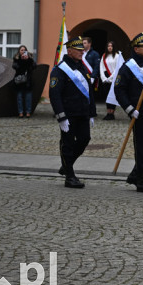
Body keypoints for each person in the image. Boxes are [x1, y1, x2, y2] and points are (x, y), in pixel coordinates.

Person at [114, 32, 143, 193]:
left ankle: (136, 172)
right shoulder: (128, 67)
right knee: (141, 146)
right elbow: (119, 89)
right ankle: (141, 179)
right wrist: (129, 109)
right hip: (138, 112)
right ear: (136, 49)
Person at [49, 36, 97, 189]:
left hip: (82, 112)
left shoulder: (81, 67)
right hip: (68, 114)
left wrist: (91, 112)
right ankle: (69, 176)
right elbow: (54, 94)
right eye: (78, 50)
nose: (82, 52)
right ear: (69, 51)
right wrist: (61, 116)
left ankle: (66, 165)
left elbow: (89, 91)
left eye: (82, 49)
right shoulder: (60, 70)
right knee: (68, 144)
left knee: (84, 139)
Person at [100, 40, 124, 120]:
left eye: (111, 46)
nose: (110, 47)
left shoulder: (117, 56)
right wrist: (103, 78)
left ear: (113, 47)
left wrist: (110, 78)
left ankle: (112, 113)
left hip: (113, 78)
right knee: (106, 96)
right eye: (108, 46)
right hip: (105, 78)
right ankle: (108, 112)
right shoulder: (104, 56)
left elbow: (117, 68)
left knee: (112, 95)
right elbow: (101, 67)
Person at [12, 45, 36, 118]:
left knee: (28, 97)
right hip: (19, 81)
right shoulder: (16, 59)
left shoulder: (30, 58)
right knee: (19, 97)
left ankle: (28, 112)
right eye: (21, 50)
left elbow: (34, 66)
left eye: (24, 50)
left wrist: (28, 60)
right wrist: (21, 60)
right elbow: (15, 67)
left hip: (28, 80)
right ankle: (21, 112)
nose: (23, 51)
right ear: (19, 51)